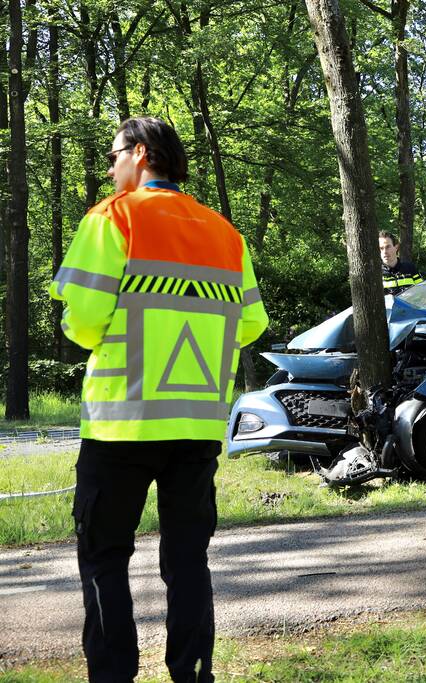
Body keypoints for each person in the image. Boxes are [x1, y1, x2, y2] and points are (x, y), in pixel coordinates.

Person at [50, 117, 269, 682]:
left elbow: (84, 320)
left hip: (121, 423)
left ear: (141, 154)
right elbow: (251, 324)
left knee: (104, 559)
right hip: (196, 426)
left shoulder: (112, 217)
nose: (109, 166)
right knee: (188, 560)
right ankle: (193, 675)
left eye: (113, 154)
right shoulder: (226, 233)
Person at [379, 230, 423, 295]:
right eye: (381, 248)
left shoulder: (410, 268)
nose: (385, 252)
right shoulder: (376, 274)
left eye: (388, 247)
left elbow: (423, 292)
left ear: (396, 247)